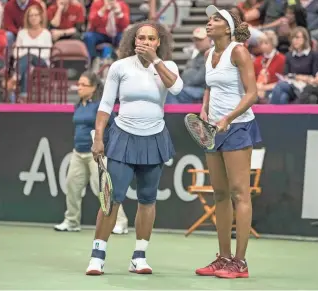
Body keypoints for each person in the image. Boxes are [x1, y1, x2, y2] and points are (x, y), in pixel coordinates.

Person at [86, 20, 183, 275]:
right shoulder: (119, 67)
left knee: (147, 200)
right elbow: (106, 105)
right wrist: (98, 138)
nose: (147, 42)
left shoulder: (168, 66)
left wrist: (156, 61)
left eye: (152, 39)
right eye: (142, 38)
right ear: (134, 40)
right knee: (112, 199)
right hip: (122, 137)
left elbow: (177, 88)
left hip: (154, 138)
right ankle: (97, 255)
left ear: (159, 42)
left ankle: (139, 256)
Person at [195, 5, 261, 279]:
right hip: (214, 129)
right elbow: (210, 86)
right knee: (219, 194)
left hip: (237, 127)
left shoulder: (239, 51)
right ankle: (223, 258)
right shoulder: (210, 53)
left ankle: (240, 262)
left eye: (216, 20)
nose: (209, 24)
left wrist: (227, 118)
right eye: (209, 19)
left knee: (239, 193)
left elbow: (252, 94)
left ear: (229, 28)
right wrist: (204, 109)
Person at [54, 70, 129, 234]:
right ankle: (72, 221)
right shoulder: (78, 106)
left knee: (103, 189)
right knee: (72, 186)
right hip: (78, 153)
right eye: (78, 84)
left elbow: (115, 125)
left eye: (83, 84)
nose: (78, 87)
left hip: (97, 155)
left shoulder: (102, 106)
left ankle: (121, 222)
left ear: (93, 87)